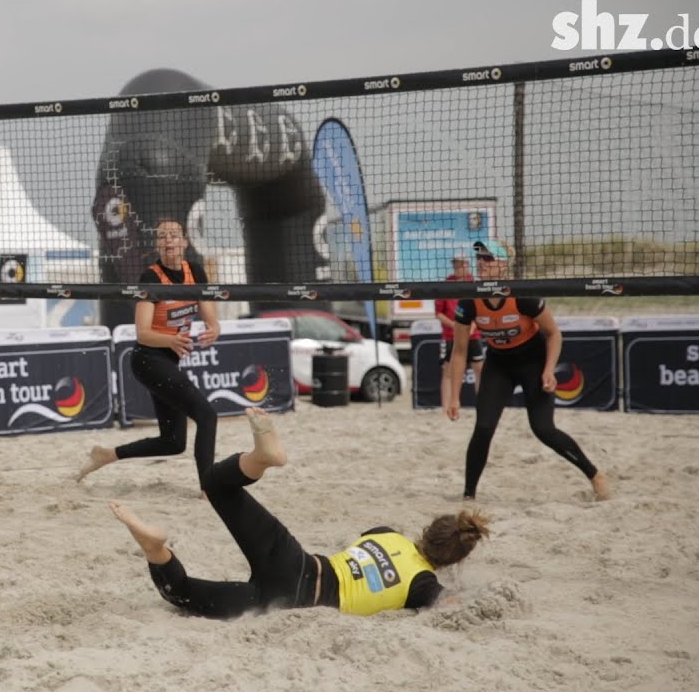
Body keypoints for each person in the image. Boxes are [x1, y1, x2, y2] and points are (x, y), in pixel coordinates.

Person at [110, 408, 491, 619]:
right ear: (452, 560)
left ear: (427, 530)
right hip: (293, 602)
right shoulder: (422, 585)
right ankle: (155, 550)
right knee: (184, 595)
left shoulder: (385, 533)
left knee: (215, 484)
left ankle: (260, 459)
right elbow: (448, 606)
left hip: (297, 559)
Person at [444, 240, 611, 501]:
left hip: (533, 362)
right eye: (479, 259)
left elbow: (554, 333)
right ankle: (468, 495)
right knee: (484, 427)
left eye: (488, 259)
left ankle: (594, 475)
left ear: (503, 266)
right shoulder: (469, 301)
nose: (481, 264)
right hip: (499, 364)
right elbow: (459, 352)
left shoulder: (523, 295)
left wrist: (548, 370)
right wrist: (454, 396)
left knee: (543, 429)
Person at [78, 218, 221, 491]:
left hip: (168, 361)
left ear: (184, 242)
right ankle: (209, 488)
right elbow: (142, 333)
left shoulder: (197, 272)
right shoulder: (151, 277)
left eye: (174, 235)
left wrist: (214, 329)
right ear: (158, 246)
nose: (168, 240)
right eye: (162, 236)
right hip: (148, 359)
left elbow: (211, 317)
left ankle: (107, 455)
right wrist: (171, 339)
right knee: (207, 415)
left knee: (173, 442)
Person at [435, 252, 485, 411]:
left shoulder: (475, 283)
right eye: (455, 264)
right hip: (451, 336)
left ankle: (483, 407)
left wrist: (473, 325)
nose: (457, 267)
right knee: (448, 371)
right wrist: (456, 326)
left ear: (467, 265)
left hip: (473, 334)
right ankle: (446, 408)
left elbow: (482, 310)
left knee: (479, 369)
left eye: (460, 264)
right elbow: (439, 314)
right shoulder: (446, 284)